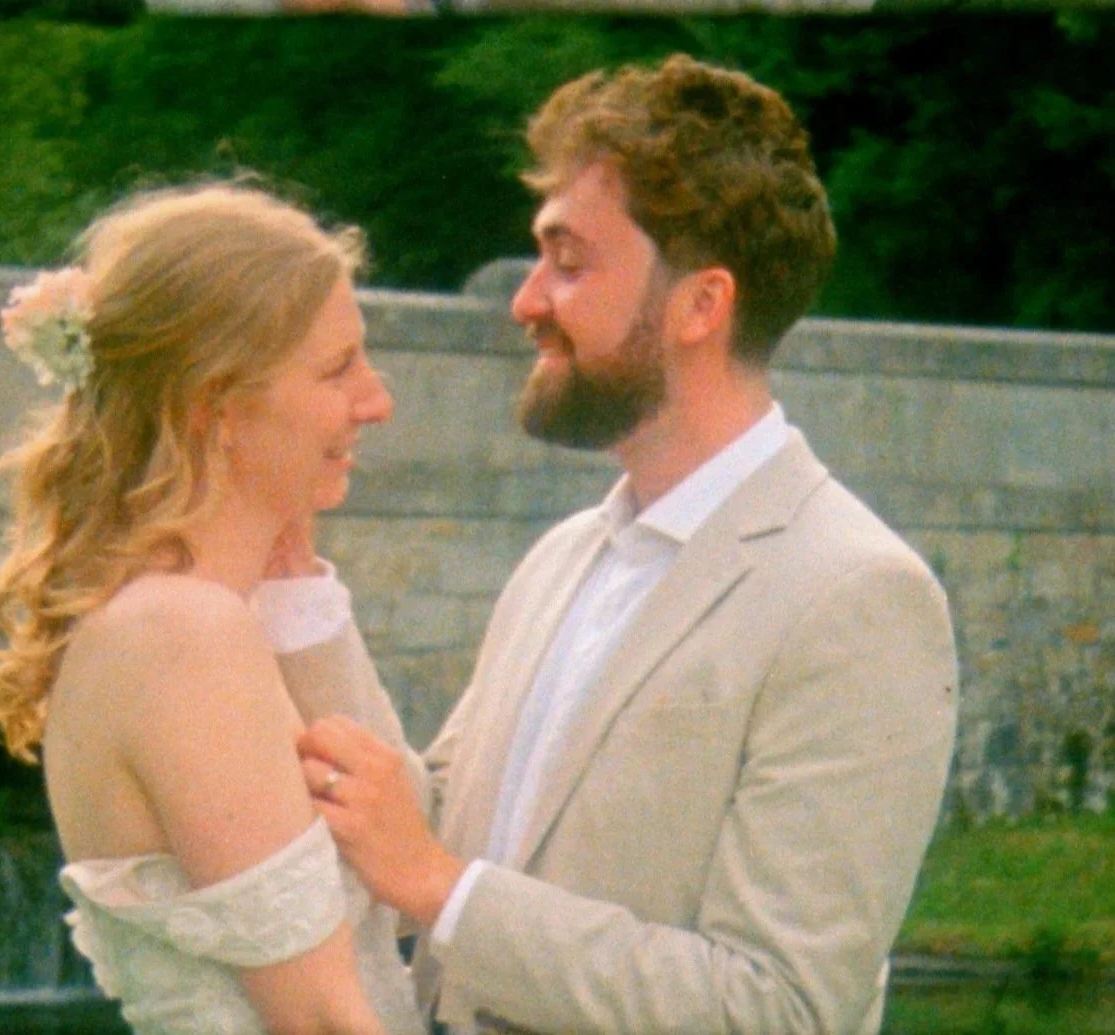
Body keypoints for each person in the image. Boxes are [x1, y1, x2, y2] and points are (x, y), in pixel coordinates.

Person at [292, 54, 959, 1034]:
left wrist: (442, 886)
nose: (526, 301)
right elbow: (421, 830)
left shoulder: (856, 595)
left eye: (569, 261)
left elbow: (777, 1008)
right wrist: (288, 579)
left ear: (701, 305)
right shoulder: (563, 556)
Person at [0, 182, 425, 1035]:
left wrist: (296, 589)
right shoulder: (181, 634)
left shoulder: (219, 616)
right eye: (337, 369)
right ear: (215, 405)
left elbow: (407, 861)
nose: (377, 400)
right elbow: (324, 1017)